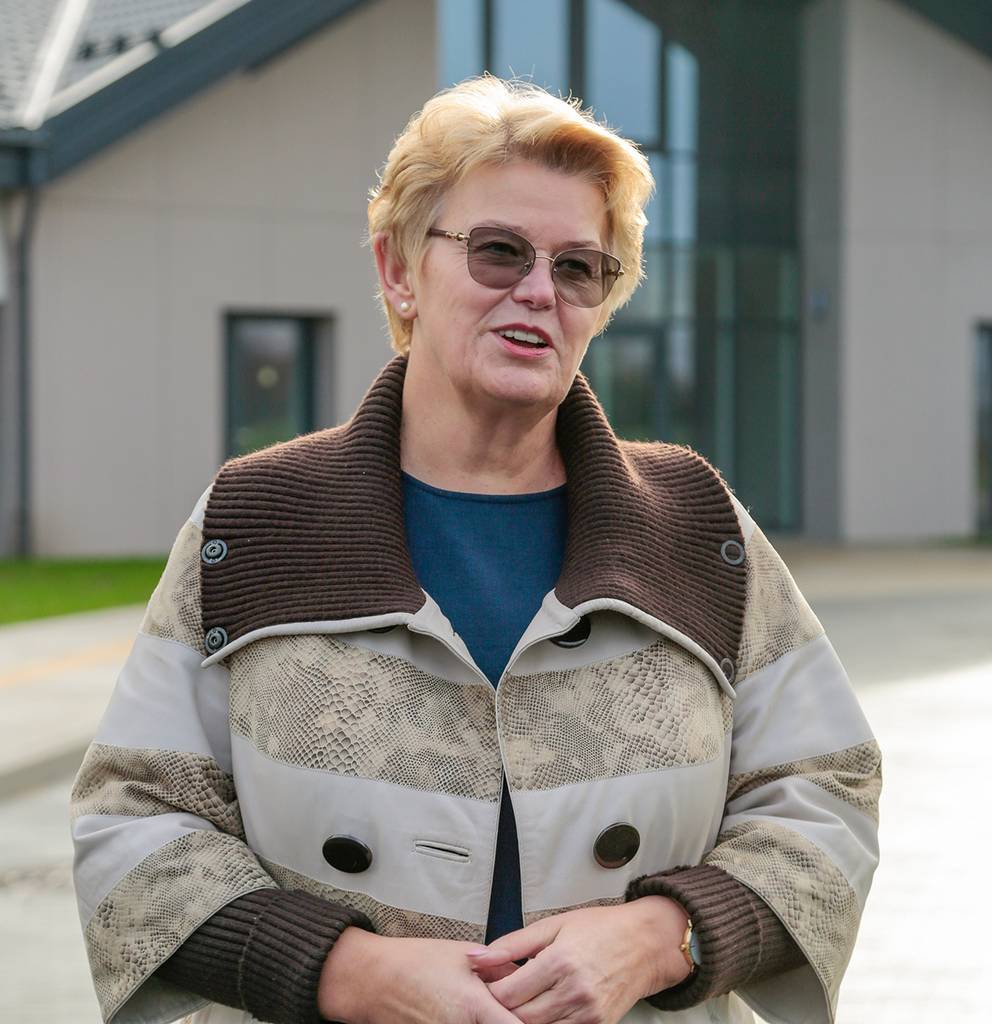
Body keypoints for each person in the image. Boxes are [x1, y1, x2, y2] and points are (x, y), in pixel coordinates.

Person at [70, 77, 880, 1024]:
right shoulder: (256, 521)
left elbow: (827, 789)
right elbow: (133, 815)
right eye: (499, 251)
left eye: (579, 268)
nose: (539, 290)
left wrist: (667, 935)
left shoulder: (694, 525)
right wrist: (345, 973)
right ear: (399, 270)